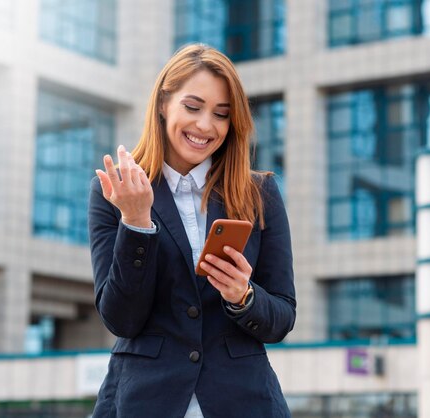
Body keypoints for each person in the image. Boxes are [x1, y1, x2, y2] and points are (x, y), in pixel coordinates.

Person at [88, 44, 296, 418]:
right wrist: (136, 223)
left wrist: (243, 296)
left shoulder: (259, 193)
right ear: (164, 103)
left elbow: (282, 316)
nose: (205, 126)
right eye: (193, 107)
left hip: (243, 401)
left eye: (221, 114)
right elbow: (121, 318)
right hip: (145, 400)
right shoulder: (115, 190)